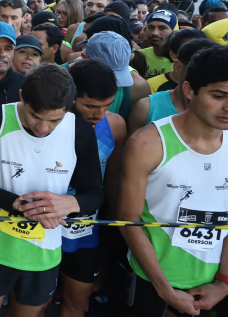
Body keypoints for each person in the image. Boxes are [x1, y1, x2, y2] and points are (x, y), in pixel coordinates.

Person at [120, 46, 228, 317]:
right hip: (153, 280)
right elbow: (129, 220)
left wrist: (224, 283)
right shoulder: (147, 144)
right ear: (188, 90)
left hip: (211, 283)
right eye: (219, 96)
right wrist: (165, 290)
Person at [0, 64, 104, 317]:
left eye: (55, 120)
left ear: (69, 106)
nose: (43, 128)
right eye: (35, 116)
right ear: (21, 97)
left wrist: (70, 204)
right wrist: (17, 204)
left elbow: (94, 194)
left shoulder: (80, 131)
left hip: (42, 256)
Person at [58, 60, 126, 317]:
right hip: (42, 229)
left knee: (78, 302)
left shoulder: (115, 125)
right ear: (70, 96)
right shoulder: (45, 123)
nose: (99, 115)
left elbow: (113, 182)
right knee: (34, 303)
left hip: (86, 231)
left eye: (106, 106)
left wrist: (115, 231)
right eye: (90, 106)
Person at [138, 10, 178, 79]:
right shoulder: (139, 56)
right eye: (151, 27)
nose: (155, 33)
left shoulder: (181, 60)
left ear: (174, 31)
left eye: (162, 28)